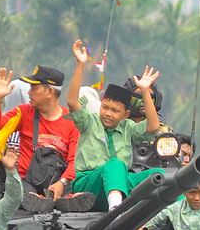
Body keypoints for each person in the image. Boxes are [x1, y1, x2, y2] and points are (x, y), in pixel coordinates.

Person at [65, 39, 162, 211]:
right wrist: (80, 65)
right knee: (115, 164)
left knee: (160, 176)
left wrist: (145, 91)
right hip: (89, 183)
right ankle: (115, 210)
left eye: (115, 111)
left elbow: (153, 127)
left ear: (125, 114)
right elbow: (72, 102)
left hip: (120, 181)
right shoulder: (89, 121)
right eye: (106, 108)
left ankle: (179, 216)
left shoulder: (128, 127)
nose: (108, 114)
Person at [0, 66, 85, 210]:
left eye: (34, 88)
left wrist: (62, 183)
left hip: (57, 182)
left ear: (49, 92)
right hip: (26, 182)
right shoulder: (23, 112)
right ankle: (44, 201)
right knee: (26, 195)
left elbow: (74, 162)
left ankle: (60, 199)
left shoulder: (71, 121)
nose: (29, 92)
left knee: (71, 190)